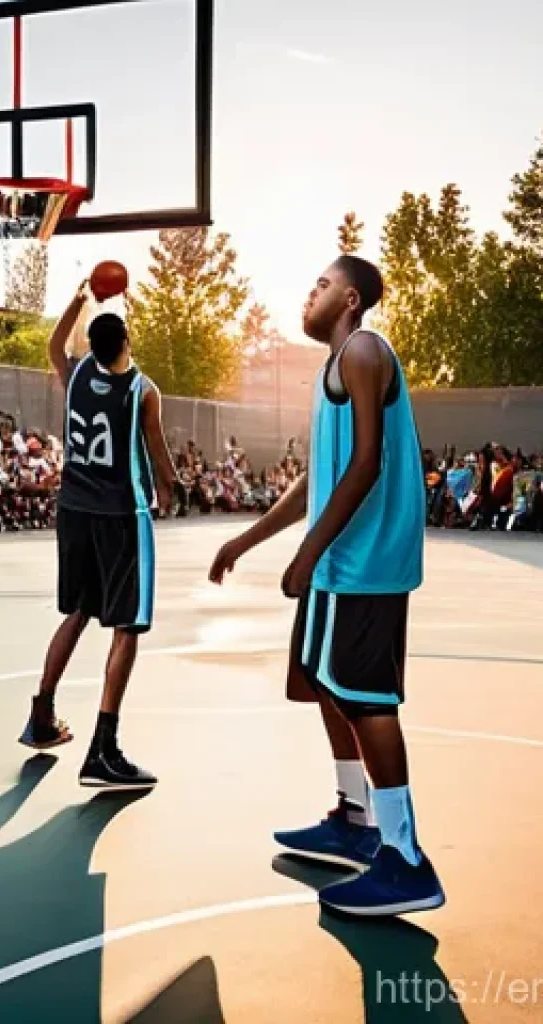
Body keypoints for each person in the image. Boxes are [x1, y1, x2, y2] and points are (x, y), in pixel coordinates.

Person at [209, 255, 445, 917]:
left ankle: (405, 860)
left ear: (348, 298)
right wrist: (247, 540)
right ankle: (356, 817)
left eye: (318, 285)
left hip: (364, 564)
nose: (307, 294)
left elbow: (367, 463)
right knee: (320, 680)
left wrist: (308, 554)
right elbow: (318, 479)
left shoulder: (365, 350)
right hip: (340, 562)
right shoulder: (330, 371)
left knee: (368, 701)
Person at [18, 282, 176, 789]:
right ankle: (103, 749)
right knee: (127, 626)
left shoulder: (77, 373)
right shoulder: (142, 390)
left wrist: (78, 298)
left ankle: (42, 714)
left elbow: (53, 344)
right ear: (127, 343)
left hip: (74, 510)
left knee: (78, 612)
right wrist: (172, 488)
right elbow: (156, 450)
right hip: (120, 515)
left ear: (92, 347)